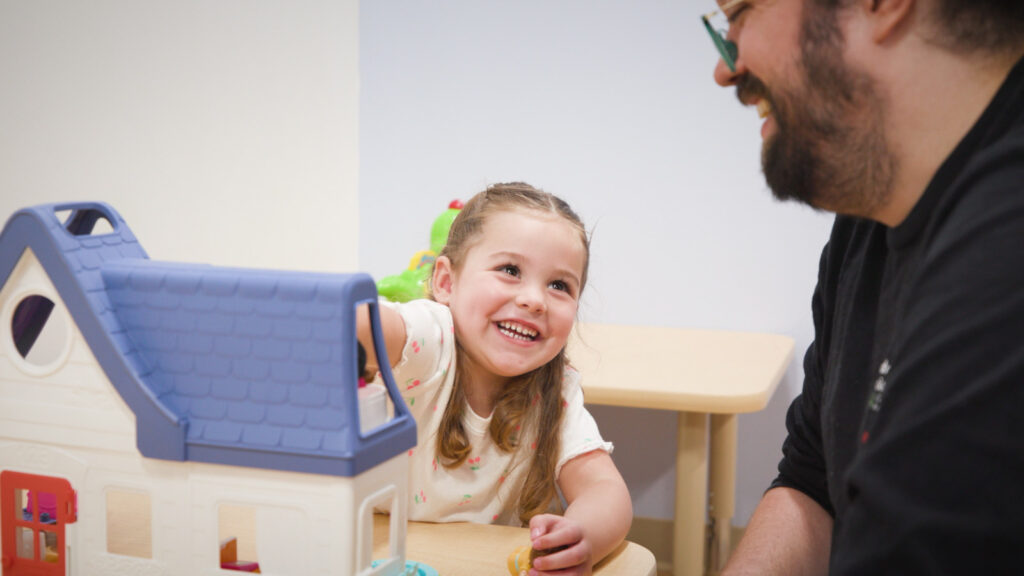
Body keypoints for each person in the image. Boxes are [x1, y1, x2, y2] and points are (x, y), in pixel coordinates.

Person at [702, 0, 1024, 574]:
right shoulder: (870, 223)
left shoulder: (1001, 265)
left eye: (740, 12)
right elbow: (815, 482)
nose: (726, 67)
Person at [357, 183, 632, 575]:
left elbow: (603, 489)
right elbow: (373, 327)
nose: (534, 299)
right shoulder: (431, 337)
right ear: (446, 283)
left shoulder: (557, 389)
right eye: (510, 270)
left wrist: (582, 537)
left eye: (559, 285)